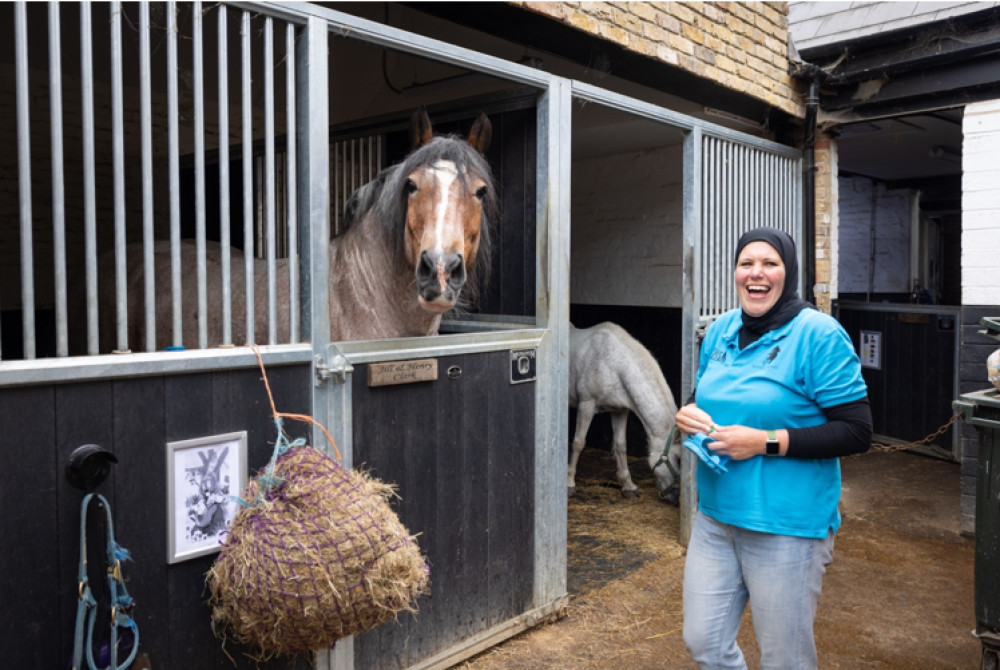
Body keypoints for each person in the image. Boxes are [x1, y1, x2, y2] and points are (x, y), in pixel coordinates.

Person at [675, 226, 872, 670]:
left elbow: (857, 431)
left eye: (770, 264)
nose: (756, 274)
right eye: (746, 263)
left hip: (787, 528)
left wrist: (763, 442)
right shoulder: (721, 329)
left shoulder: (818, 335)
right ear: (735, 272)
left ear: (789, 272)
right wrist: (687, 413)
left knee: (785, 660)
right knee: (703, 642)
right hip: (716, 519)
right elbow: (702, 396)